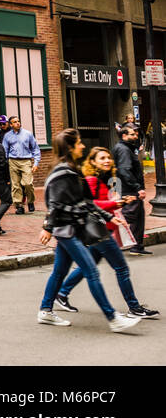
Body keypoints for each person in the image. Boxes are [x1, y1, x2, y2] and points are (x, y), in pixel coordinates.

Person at [38, 129, 141, 332]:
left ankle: (45, 310)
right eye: (79, 143)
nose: (83, 146)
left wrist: (109, 217)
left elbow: (86, 201)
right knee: (91, 271)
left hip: (72, 228)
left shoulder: (72, 170)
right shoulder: (62, 172)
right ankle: (113, 319)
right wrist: (48, 228)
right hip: (66, 230)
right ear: (70, 147)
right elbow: (54, 204)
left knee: (59, 271)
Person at [51, 146, 158, 319]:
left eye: (108, 157)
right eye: (102, 158)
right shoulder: (92, 180)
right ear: (92, 162)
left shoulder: (105, 179)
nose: (107, 160)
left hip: (103, 229)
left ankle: (62, 294)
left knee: (89, 265)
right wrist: (115, 204)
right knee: (121, 268)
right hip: (99, 231)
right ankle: (134, 307)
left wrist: (119, 202)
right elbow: (90, 205)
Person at [111, 126, 150, 255]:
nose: (136, 136)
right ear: (124, 135)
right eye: (133, 134)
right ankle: (106, 243)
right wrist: (137, 188)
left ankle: (137, 247)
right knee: (128, 217)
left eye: (136, 133)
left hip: (128, 188)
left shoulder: (127, 148)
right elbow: (124, 170)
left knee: (138, 217)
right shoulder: (123, 150)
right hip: (129, 189)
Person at [3, 115, 40, 214]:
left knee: (28, 183)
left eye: (18, 121)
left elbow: (35, 149)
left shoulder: (28, 134)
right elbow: (4, 150)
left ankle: (30, 201)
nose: (17, 123)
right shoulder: (7, 136)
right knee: (15, 185)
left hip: (26, 161)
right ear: (10, 125)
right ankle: (18, 206)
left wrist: (35, 163)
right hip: (13, 161)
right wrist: (6, 162)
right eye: (15, 122)